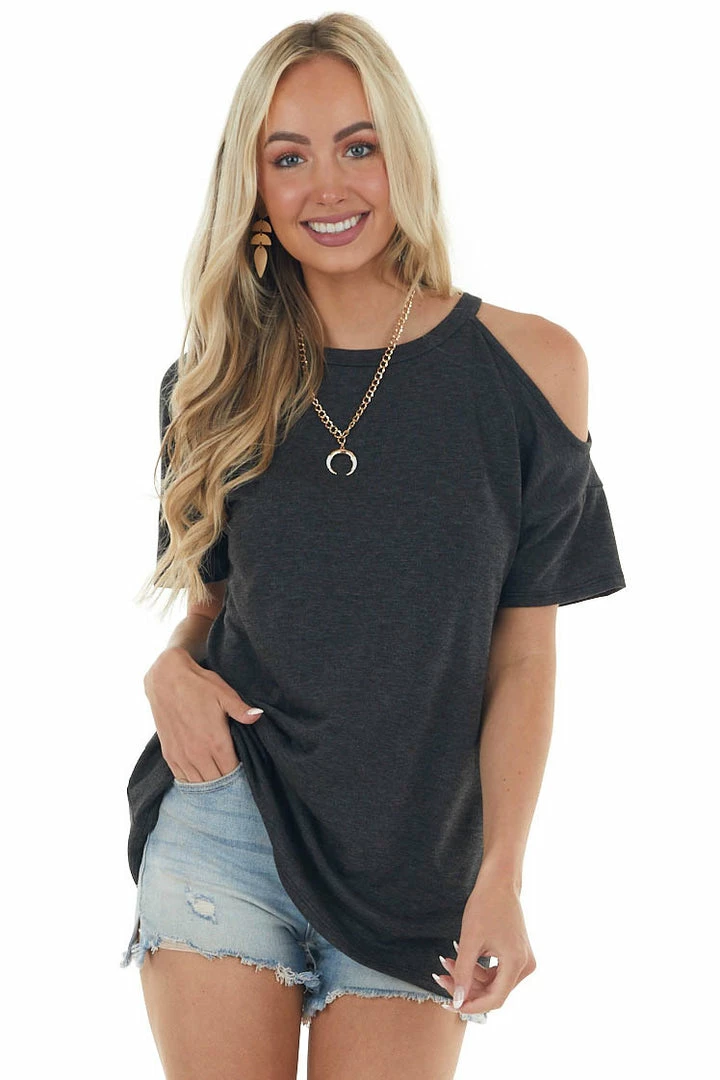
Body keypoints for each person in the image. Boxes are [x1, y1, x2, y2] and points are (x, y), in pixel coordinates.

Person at [120, 12, 627, 1079]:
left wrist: (503, 873)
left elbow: (524, 654)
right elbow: (216, 606)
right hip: (229, 821)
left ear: (404, 152)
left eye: (359, 145)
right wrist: (167, 670)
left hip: (419, 862)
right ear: (253, 186)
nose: (328, 186)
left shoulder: (531, 371)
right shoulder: (211, 383)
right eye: (288, 157)